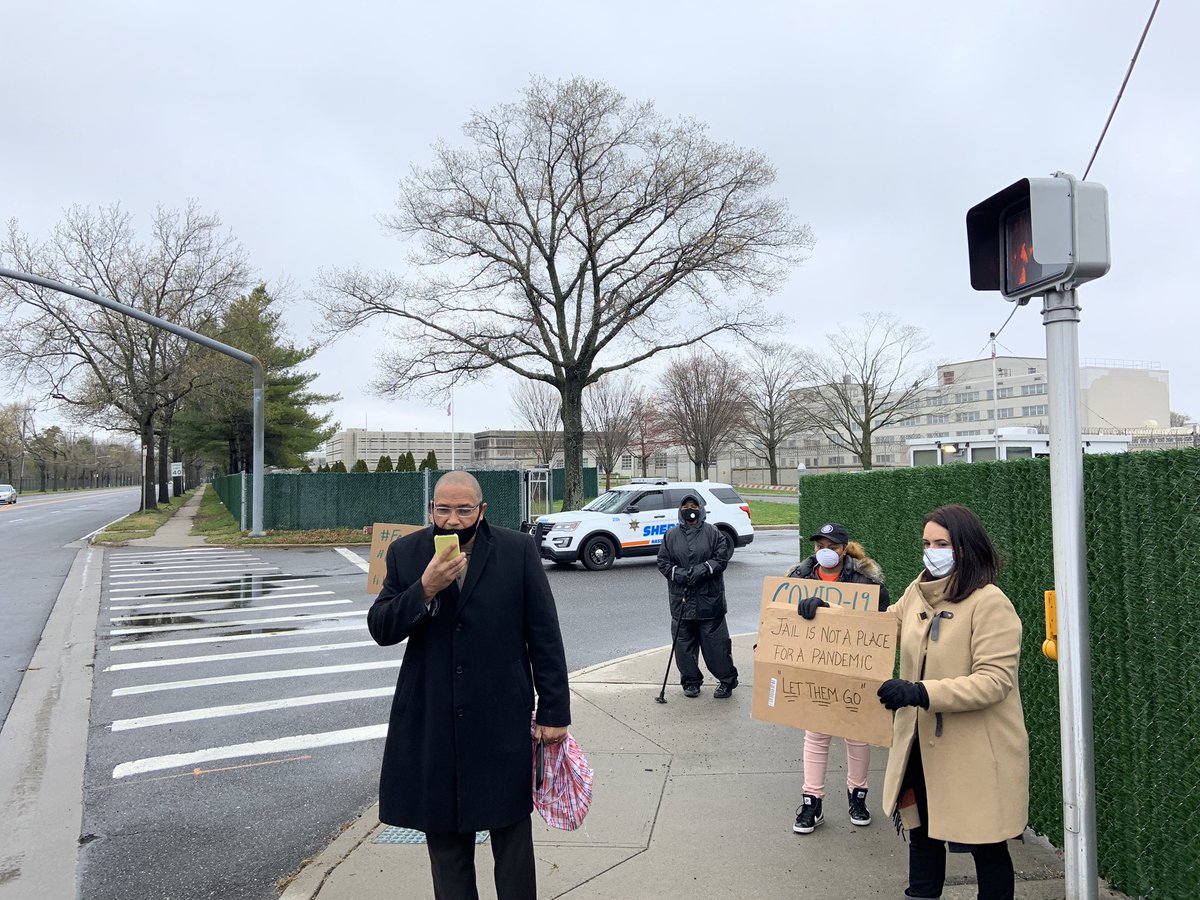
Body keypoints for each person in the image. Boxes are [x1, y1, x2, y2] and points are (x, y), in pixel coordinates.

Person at [799, 504, 1028, 900]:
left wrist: (922, 692)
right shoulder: (917, 592)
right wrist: (828, 613)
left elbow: (995, 681)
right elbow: (883, 624)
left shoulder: (990, 603)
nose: (932, 550)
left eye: (942, 543)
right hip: (921, 745)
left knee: (987, 847)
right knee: (921, 835)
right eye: (927, 542)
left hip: (975, 750)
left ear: (966, 548)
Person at [368, 470, 571, 900]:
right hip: (433, 719)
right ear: (431, 510)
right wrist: (424, 589)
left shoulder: (516, 550)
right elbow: (382, 627)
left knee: (512, 838)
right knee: (446, 846)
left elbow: (545, 633)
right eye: (444, 510)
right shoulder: (407, 553)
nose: (454, 520)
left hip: (501, 716)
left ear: (482, 510)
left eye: (463, 510)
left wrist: (554, 712)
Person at [786, 522, 890, 834]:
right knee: (816, 735)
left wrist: (830, 609)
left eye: (832, 547)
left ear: (844, 549)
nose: (825, 552)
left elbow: (879, 620)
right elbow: (780, 619)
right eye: (820, 546)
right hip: (815, 669)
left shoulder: (865, 580)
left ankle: (857, 796)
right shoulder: (799, 578)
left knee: (856, 734)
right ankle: (811, 802)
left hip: (853, 669)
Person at [656, 493, 738, 699]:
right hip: (681, 600)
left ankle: (727, 681)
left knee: (716, 646)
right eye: (686, 506)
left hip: (709, 601)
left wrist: (703, 569)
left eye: (694, 505)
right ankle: (691, 681)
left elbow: (721, 558)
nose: (690, 509)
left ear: (700, 509)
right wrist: (680, 574)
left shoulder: (714, 533)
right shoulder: (671, 535)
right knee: (683, 646)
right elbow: (663, 561)